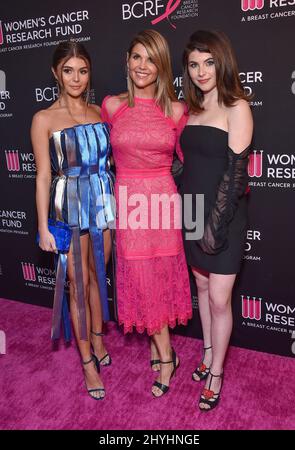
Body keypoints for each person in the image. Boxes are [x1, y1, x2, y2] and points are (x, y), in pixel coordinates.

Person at [101, 29, 192, 397]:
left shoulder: (177, 110)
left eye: (150, 59)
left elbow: (192, 160)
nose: (142, 65)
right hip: (128, 203)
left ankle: (163, 354)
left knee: (160, 275)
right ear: (127, 60)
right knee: (139, 278)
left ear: (161, 65)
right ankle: (165, 352)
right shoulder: (112, 106)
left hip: (162, 205)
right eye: (136, 57)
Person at [31, 41, 115, 400]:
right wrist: (42, 226)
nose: (76, 78)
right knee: (77, 286)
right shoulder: (44, 119)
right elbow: (43, 176)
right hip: (70, 209)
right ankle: (86, 361)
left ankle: (97, 338)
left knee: (99, 275)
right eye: (68, 70)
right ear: (56, 73)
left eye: (82, 70)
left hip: (102, 205)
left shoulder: (100, 112)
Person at [180, 30, 253, 411]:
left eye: (208, 62)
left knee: (221, 298)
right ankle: (207, 353)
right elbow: (188, 162)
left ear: (221, 61)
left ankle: (217, 372)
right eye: (193, 64)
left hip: (223, 215)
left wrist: (214, 227)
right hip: (192, 208)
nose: (201, 71)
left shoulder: (236, 106)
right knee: (203, 290)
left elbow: (235, 175)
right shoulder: (190, 108)